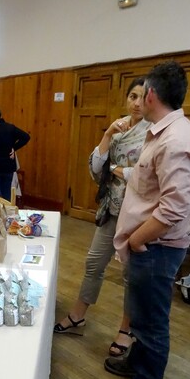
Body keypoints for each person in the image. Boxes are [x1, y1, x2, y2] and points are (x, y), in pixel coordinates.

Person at [104, 61, 190, 379]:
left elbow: (173, 207)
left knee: (151, 322)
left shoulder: (175, 140)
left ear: (151, 95)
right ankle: (137, 363)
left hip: (156, 246)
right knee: (143, 315)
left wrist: (135, 240)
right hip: (150, 244)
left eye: (140, 93)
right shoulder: (162, 132)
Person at [54, 78, 150, 357]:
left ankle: (126, 329)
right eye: (132, 96)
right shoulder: (118, 130)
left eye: (143, 98)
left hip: (136, 214)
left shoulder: (152, 134)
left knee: (130, 274)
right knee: (94, 263)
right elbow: (96, 170)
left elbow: (145, 178)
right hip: (110, 209)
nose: (136, 103)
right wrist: (107, 134)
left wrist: (117, 169)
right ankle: (77, 315)